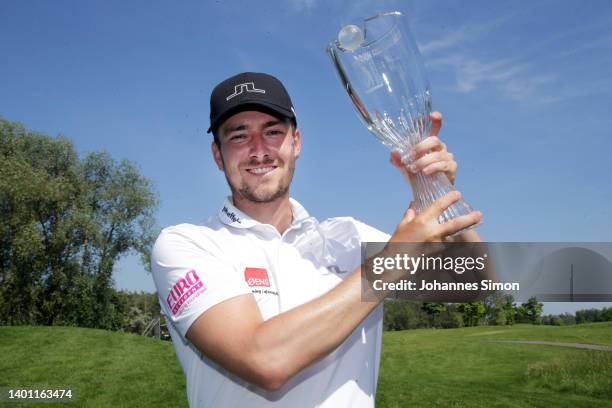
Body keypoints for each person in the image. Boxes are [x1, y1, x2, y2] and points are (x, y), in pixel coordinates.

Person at [151, 72, 483, 407]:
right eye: (239, 136)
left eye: (273, 132)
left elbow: (474, 280)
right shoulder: (186, 245)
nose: (258, 150)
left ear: (296, 143)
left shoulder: (348, 236)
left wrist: (433, 188)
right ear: (218, 156)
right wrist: (392, 262)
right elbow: (263, 359)